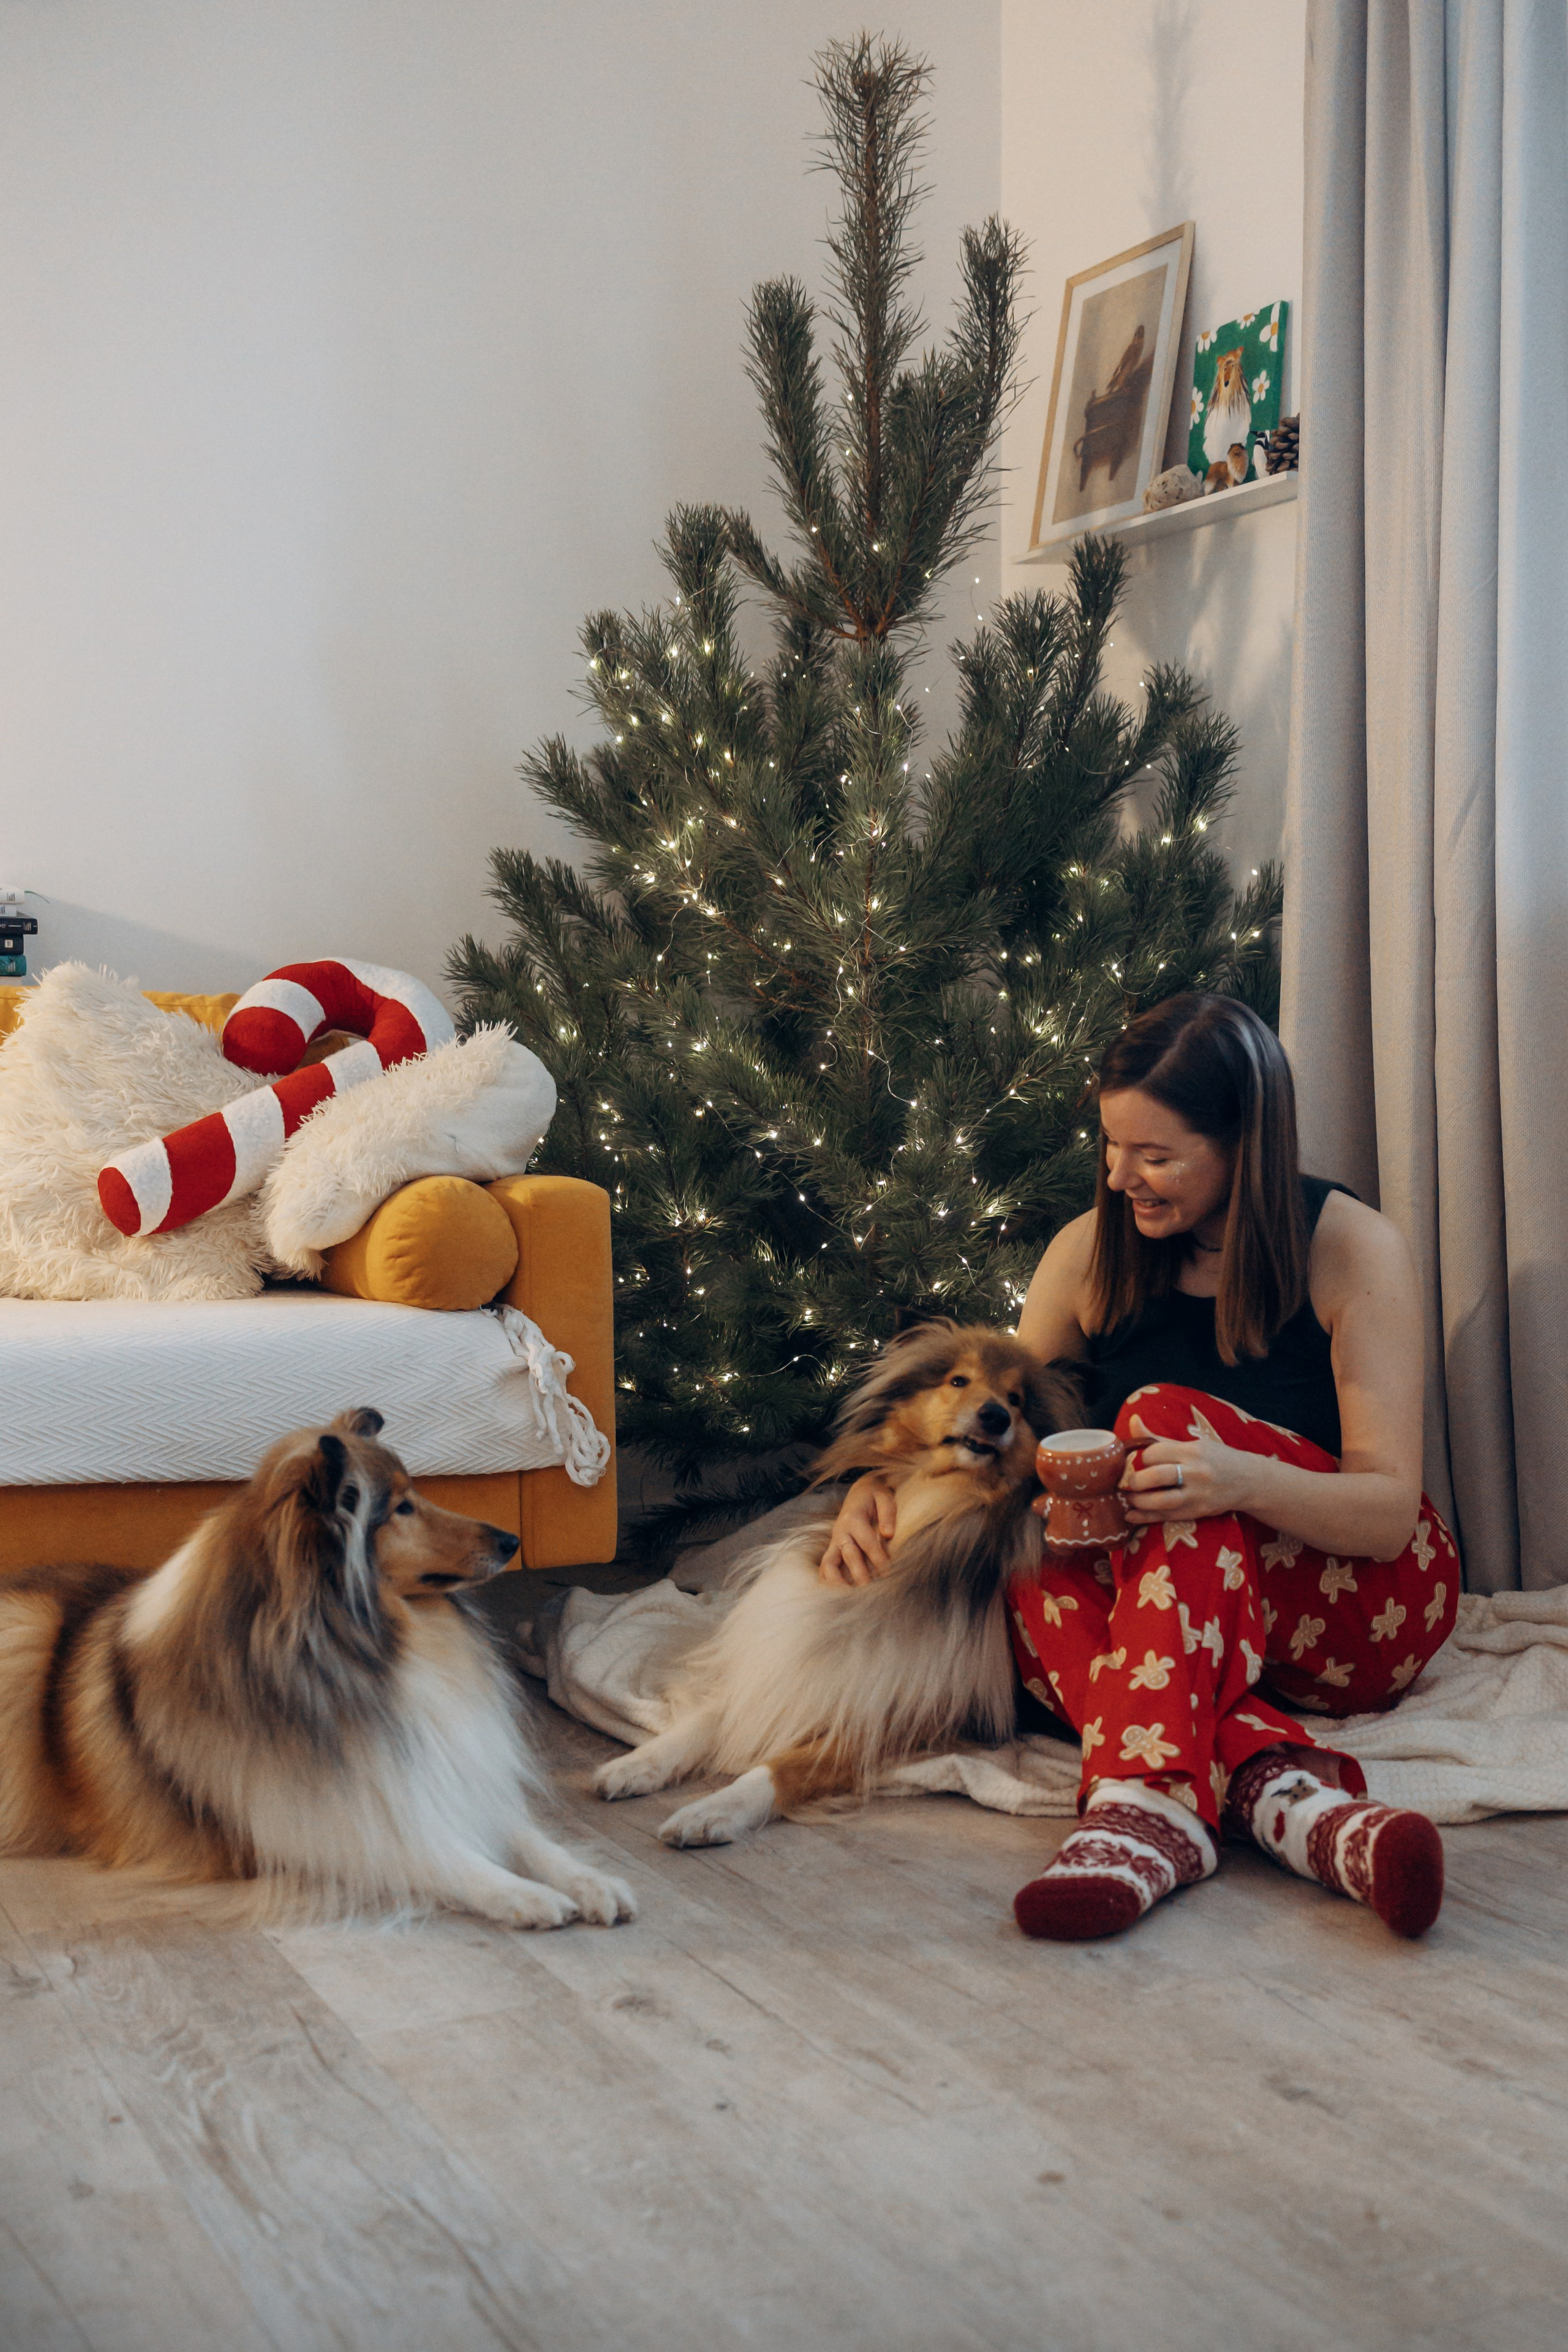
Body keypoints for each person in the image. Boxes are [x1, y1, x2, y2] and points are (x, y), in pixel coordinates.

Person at [820, 993, 1458, 1942]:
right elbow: (1007, 1446)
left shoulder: (1351, 1248)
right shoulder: (1088, 1252)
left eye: (1155, 1156)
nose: (1121, 1177)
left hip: (1361, 1602)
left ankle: (1143, 1803)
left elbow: (1386, 1512)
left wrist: (1237, 1479)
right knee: (1022, 1531)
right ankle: (1296, 1810)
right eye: (1112, 1147)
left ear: (1245, 1144)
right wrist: (874, 1487)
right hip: (1177, 1623)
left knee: (1154, 1420)